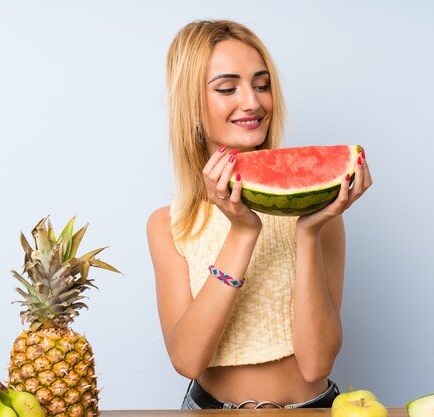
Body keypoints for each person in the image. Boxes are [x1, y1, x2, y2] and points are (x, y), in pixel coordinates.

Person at [147, 19, 372, 410]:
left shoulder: (324, 211)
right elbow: (187, 360)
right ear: (192, 106)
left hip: (313, 408)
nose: (252, 102)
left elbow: (317, 361)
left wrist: (308, 234)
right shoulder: (169, 225)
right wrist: (242, 232)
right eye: (227, 88)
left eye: (262, 84)